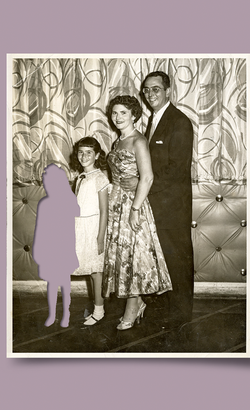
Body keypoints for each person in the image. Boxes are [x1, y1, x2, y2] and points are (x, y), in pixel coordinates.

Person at [102, 95, 172, 331]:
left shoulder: (138, 141)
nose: (118, 117)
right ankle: (138, 302)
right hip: (116, 203)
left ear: (133, 115)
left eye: (123, 112)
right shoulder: (117, 142)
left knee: (135, 259)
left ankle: (132, 309)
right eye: (114, 113)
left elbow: (148, 177)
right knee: (125, 257)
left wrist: (134, 210)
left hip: (134, 205)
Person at [141, 71, 195, 329]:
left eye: (156, 90)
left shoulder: (179, 121)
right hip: (157, 203)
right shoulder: (153, 120)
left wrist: (144, 186)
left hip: (173, 205)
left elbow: (176, 169)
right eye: (147, 90)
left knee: (178, 258)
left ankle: (183, 314)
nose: (150, 95)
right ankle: (169, 310)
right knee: (164, 258)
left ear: (168, 91)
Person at [69, 137, 110, 326]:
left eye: (89, 153)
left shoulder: (100, 177)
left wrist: (100, 237)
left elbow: (104, 210)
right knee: (89, 268)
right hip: (81, 227)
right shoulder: (80, 177)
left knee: (96, 271)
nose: (84, 156)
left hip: (94, 227)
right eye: (81, 152)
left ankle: (99, 310)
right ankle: (96, 306)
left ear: (97, 155)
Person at [32, 163, 80, 327]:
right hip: (50, 249)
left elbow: (77, 218)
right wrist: (38, 250)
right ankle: (52, 314)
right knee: (51, 283)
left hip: (65, 248)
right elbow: (40, 228)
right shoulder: (44, 203)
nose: (48, 186)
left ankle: (66, 313)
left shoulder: (69, 200)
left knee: (65, 282)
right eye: (46, 183)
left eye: (51, 182)